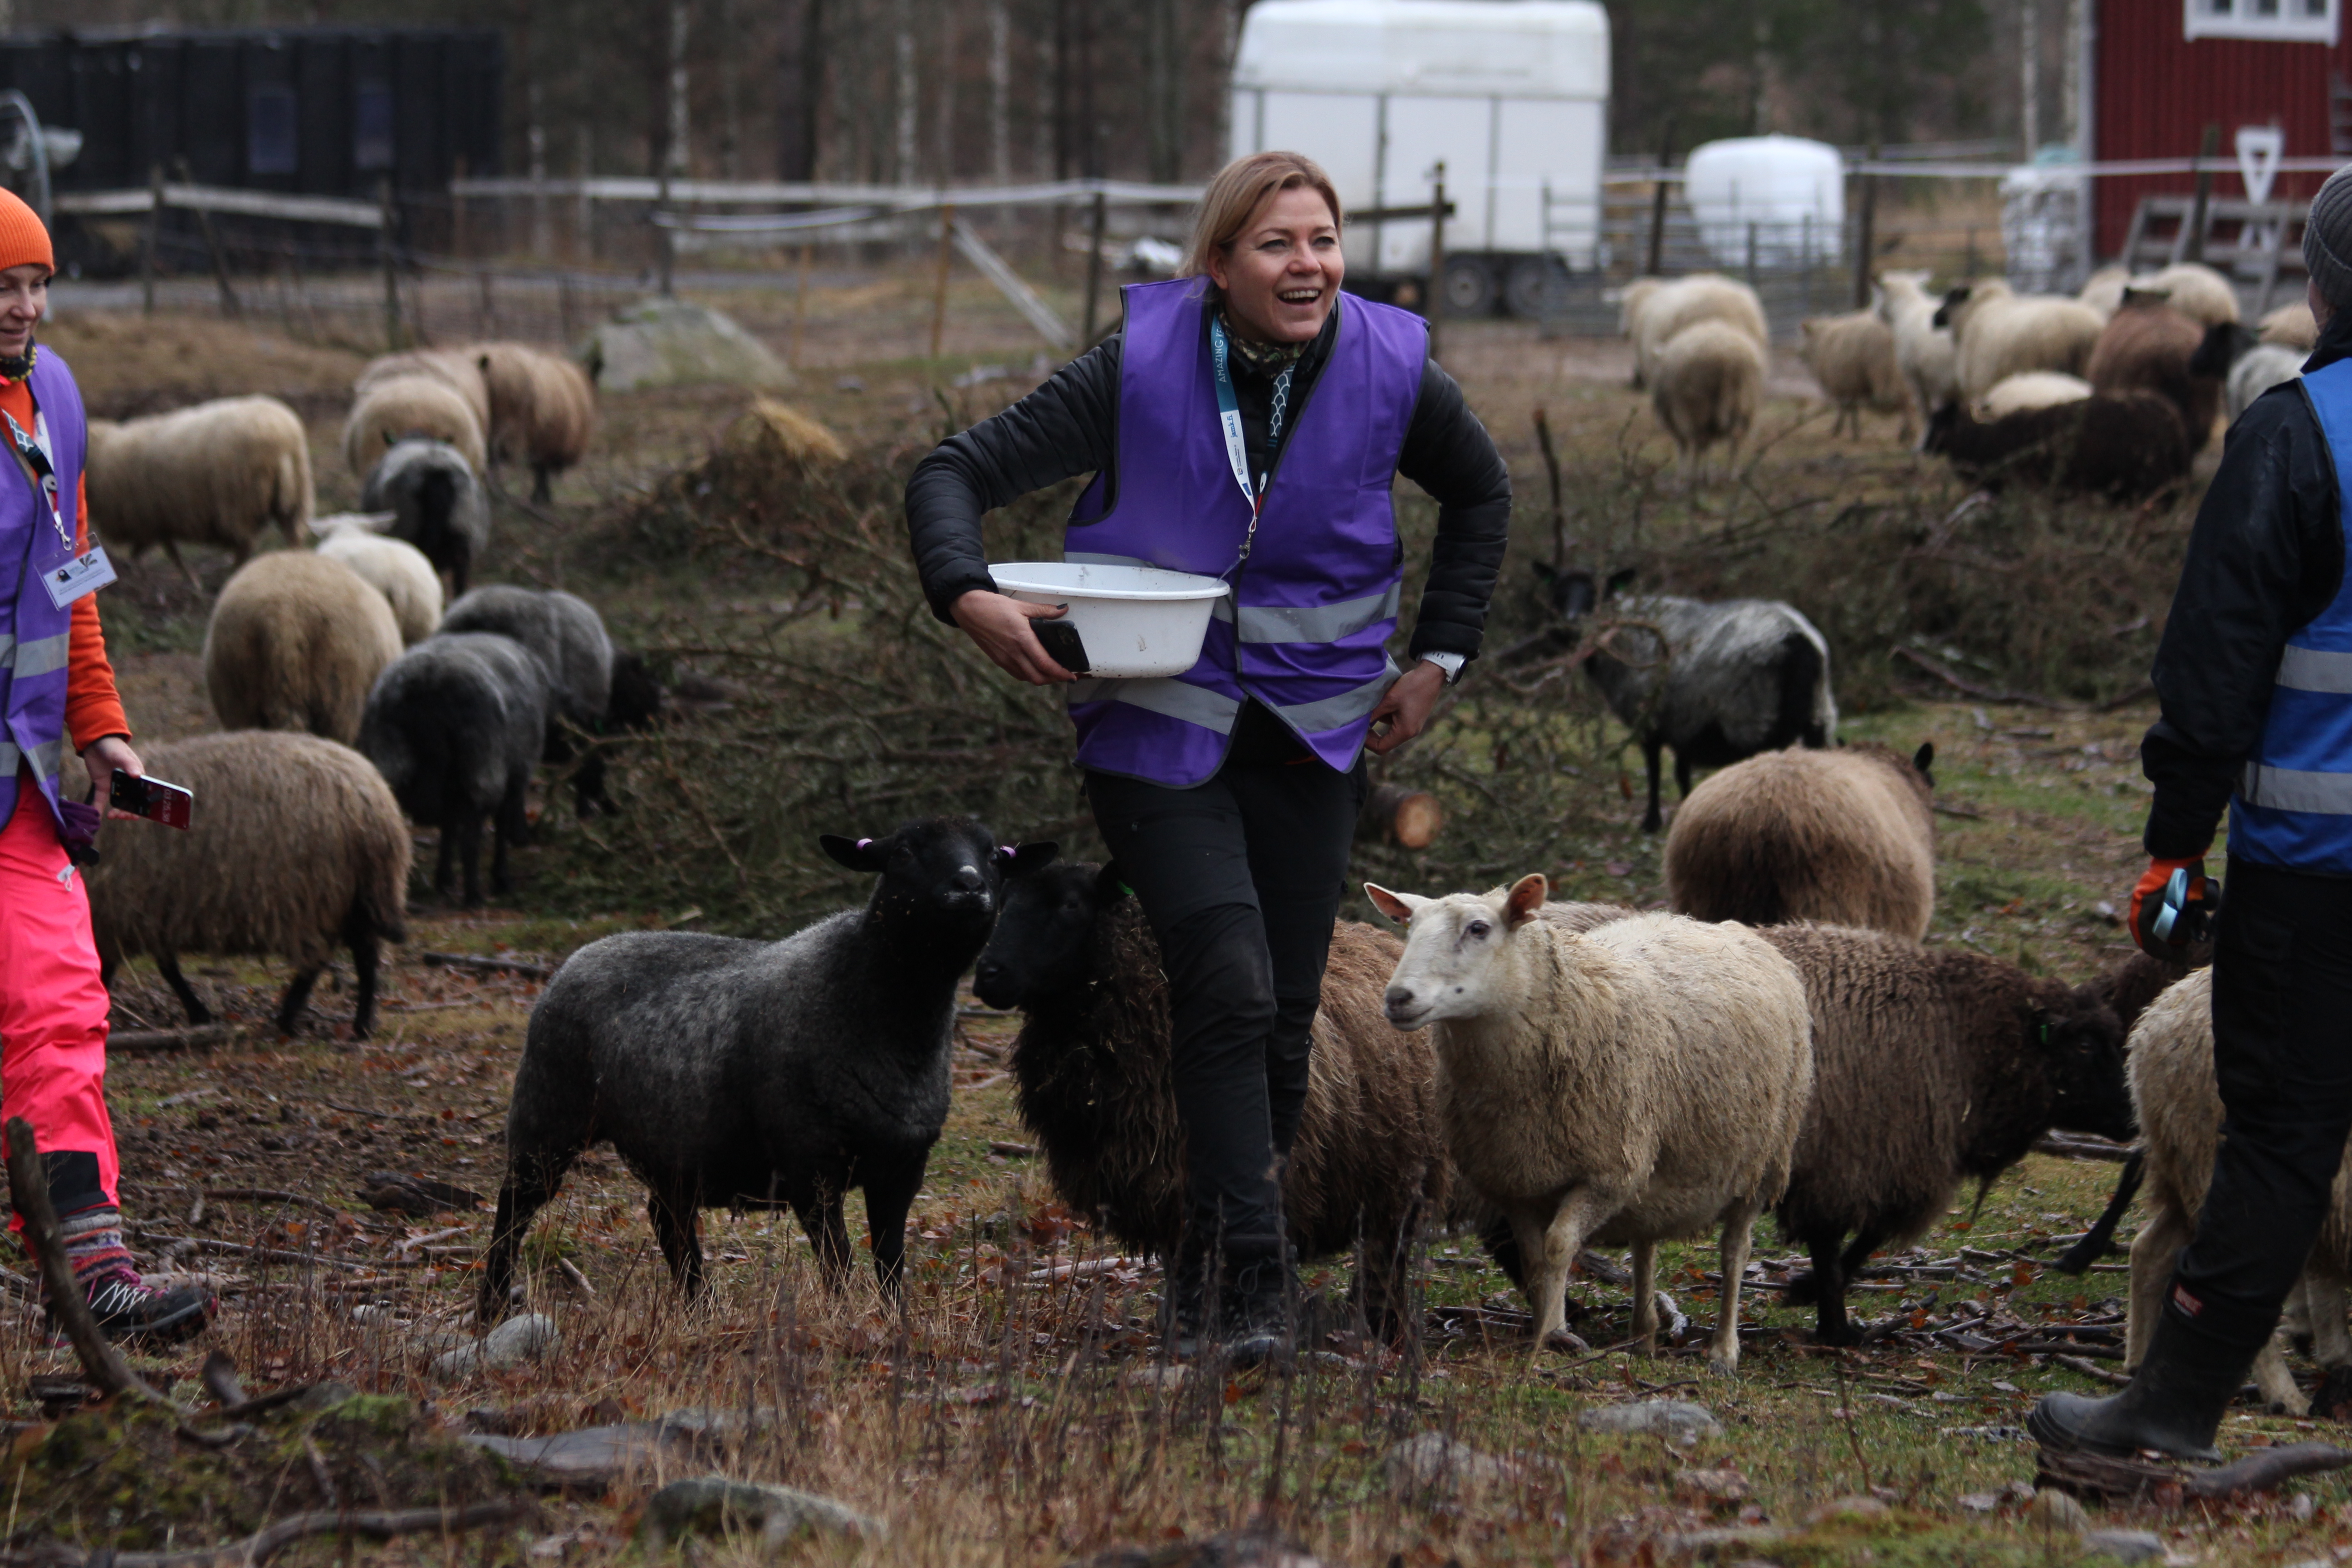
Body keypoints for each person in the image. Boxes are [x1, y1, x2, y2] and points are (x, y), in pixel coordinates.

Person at [906, 152, 1509, 1364]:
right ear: (1220, 263)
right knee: (1225, 984)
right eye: (1279, 243)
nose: (1309, 265)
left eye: (1324, 241)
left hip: (1315, 738)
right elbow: (952, 475)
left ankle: (1212, 1267)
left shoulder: (1394, 370)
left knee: (1282, 1016)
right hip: (1157, 733)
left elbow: (1483, 493)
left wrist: (1441, 661)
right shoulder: (1136, 368)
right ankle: (1257, 1280)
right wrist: (967, 592)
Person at [2031, 168, 2352, 1459]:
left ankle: (2164, 1412)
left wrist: (2175, 845)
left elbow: (2215, 665)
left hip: (2314, 874)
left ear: (2321, 286)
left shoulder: (2296, 434)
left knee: (2279, 1141)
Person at [0, 189, 208, 1343]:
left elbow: (71, 578)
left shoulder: (58, 400)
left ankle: (91, 1274)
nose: (23, 307)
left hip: (22, 795)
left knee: (63, 1006)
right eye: (3, 288)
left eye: (38, 285)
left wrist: (104, 729)